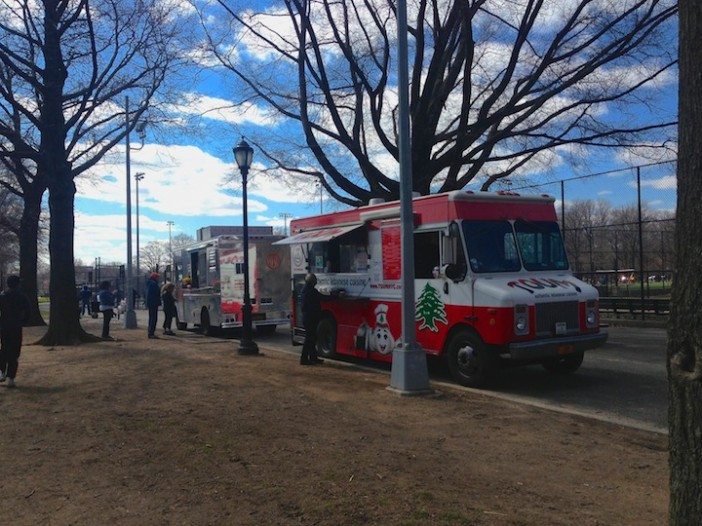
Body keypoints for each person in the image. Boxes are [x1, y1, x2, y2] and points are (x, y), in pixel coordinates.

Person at [0, 275, 30, 388]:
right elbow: (28, 312)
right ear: (17, 284)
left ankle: (1, 372)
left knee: (4, 349)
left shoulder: (2, 296)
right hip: (16, 327)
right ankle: (11, 378)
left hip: (4, 326)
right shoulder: (22, 297)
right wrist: (23, 322)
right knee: (15, 352)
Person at [299, 273, 331, 366]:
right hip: (310, 318)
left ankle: (313, 357)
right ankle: (304, 359)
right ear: (312, 282)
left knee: (312, 338)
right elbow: (323, 298)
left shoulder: (306, 290)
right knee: (309, 339)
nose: (316, 282)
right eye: (315, 280)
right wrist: (336, 296)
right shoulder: (311, 291)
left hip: (308, 318)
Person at [145, 272, 161, 339]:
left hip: (151, 303)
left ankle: (150, 332)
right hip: (153, 303)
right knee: (153, 318)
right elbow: (155, 293)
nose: (158, 279)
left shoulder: (150, 283)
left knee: (152, 318)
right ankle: (151, 333)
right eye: (157, 277)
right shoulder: (153, 284)